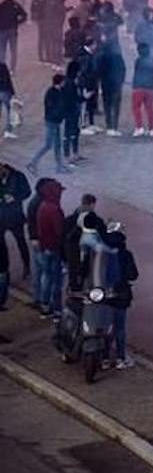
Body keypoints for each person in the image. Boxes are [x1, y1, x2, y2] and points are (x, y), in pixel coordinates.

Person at [26, 176, 64, 317]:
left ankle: (42, 302)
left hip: (42, 244)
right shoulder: (50, 207)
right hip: (50, 246)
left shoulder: (39, 204)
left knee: (42, 274)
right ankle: (55, 308)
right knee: (54, 278)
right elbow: (58, 231)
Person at [102, 225, 139, 370]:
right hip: (121, 295)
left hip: (102, 295)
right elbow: (133, 275)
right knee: (120, 327)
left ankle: (104, 358)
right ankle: (120, 358)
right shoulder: (126, 254)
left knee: (105, 326)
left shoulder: (100, 253)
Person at [27, 72, 72, 172]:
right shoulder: (52, 93)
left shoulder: (57, 91)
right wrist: (61, 115)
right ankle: (33, 163)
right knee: (48, 145)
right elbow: (53, 108)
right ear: (60, 82)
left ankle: (59, 166)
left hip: (55, 121)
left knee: (57, 145)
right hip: (52, 122)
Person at [0, 160, 29, 310]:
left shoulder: (18, 176)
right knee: (1, 246)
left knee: (21, 242)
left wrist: (15, 198)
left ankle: (27, 267)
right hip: (1, 218)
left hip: (15, 216)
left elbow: (27, 192)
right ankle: (4, 267)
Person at [130, 41, 153, 137]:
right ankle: (152, 129)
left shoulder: (138, 61)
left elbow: (136, 72)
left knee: (136, 108)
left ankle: (139, 128)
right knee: (150, 109)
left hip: (138, 87)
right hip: (151, 88)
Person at [96, 34, 125, 137]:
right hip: (116, 83)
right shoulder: (118, 56)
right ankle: (115, 126)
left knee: (107, 105)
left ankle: (109, 126)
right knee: (116, 105)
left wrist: (99, 81)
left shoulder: (101, 56)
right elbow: (123, 69)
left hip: (106, 83)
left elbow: (98, 70)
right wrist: (121, 80)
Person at [0, 0, 26, 69]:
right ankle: (11, 68)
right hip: (10, 30)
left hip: (4, 30)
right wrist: (18, 23)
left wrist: (17, 23)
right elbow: (24, 15)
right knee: (11, 50)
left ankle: (4, 67)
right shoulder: (15, 5)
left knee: (3, 49)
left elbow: (24, 15)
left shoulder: (2, 5)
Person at [0, 58, 13, 139]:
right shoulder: (3, 66)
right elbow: (8, 80)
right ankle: (8, 130)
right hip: (4, 91)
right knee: (10, 110)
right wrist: (13, 92)